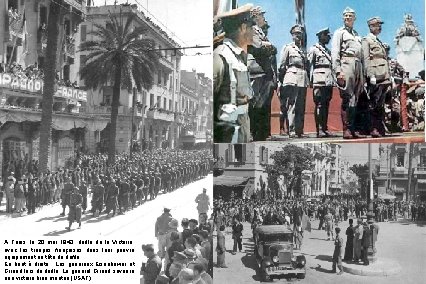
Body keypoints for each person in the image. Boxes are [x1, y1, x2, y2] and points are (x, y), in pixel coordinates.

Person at [213, 4, 255, 143]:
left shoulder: (238, 56)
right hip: (227, 135)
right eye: (251, 27)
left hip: (241, 130)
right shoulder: (221, 56)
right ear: (243, 27)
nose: (254, 32)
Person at [331, 7, 366, 139]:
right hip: (346, 64)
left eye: (350, 16)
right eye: (345, 16)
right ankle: (346, 129)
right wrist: (338, 71)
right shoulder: (339, 33)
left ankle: (352, 128)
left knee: (355, 98)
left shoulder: (357, 35)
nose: (348, 18)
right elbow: (335, 52)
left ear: (354, 18)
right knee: (347, 97)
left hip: (358, 66)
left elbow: (362, 54)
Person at [247, 6, 277, 141]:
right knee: (254, 103)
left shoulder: (261, 32)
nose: (264, 18)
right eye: (261, 15)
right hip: (255, 70)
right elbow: (257, 45)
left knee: (263, 104)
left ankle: (260, 133)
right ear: (255, 17)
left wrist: (269, 46)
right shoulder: (251, 29)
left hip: (264, 71)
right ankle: (252, 132)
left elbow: (270, 49)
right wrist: (268, 46)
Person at [362, 16, 391, 137]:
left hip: (384, 75)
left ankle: (380, 128)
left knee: (380, 104)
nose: (380, 27)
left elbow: (384, 59)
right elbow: (366, 59)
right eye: (378, 25)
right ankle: (374, 128)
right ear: (371, 26)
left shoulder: (378, 41)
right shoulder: (367, 40)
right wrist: (371, 75)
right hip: (376, 76)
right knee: (374, 102)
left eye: (380, 25)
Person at [278, 24, 309, 138]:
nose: (298, 36)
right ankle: (291, 130)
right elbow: (282, 65)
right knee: (292, 104)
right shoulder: (288, 48)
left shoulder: (304, 50)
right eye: (296, 34)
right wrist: (282, 80)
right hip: (292, 77)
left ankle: (299, 130)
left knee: (301, 105)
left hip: (303, 77)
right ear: (292, 35)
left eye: (300, 34)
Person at [308, 28, 335, 137]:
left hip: (328, 79)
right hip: (318, 79)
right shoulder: (314, 49)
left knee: (326, 104)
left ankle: (324, 128)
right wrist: (310, 80)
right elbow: (309, 65)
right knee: (319, 104)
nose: (329, 38)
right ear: (321, 36)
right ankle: (319, 129)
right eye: (327, 36)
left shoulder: (328, 51)